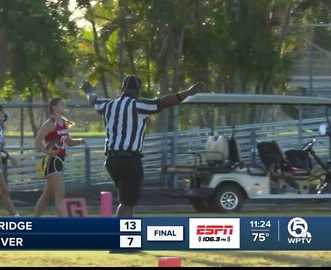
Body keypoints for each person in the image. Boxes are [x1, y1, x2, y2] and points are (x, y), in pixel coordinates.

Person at [81, 75, 204, 217]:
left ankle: (128, 232)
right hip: (129, 160)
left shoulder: (108, 105)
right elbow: (163, 102)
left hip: (111, 160)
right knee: (127, 203)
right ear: (139, 90)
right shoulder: (139, 105)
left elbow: (94, 100)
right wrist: (188, 92)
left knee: (128, 200)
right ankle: (121, 234)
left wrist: (89, 90)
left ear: (122, 89)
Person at [34, 97, 85, 217]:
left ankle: (34, 221)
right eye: (61, 105)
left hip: (60, 161)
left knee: (46, 196)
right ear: (54, 107)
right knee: (60, 194)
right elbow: (37, 142)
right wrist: (48, 152)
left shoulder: (64, 123)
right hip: (52, 161)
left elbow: (68, 141)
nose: (64, 106)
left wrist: (80, 141)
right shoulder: (50, 123)